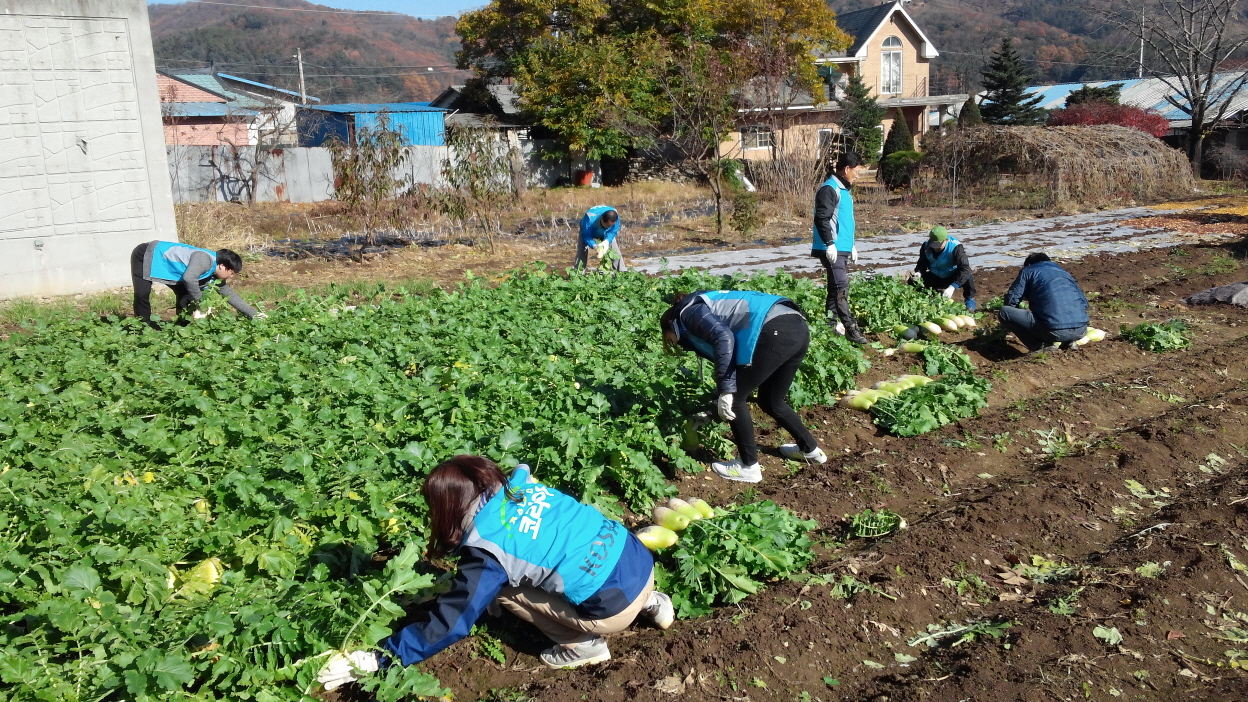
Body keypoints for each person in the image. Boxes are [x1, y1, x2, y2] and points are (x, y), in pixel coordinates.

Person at [317, 456, 674, 690]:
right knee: (575, 550)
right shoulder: (521, 488)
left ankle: (581, 646)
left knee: (501, 589)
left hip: (613, 608)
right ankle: (652, 602)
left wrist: (380, 658)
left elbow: (450, 623)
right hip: (640, 560)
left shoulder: (488, 549)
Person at [660, 290, 828, 484]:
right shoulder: (707, 303)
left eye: (672, 340)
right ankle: (810, 450)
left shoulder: (686, 313)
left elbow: (724, 338)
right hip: (796, 326)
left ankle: (748, 467)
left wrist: (727, 392)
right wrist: (713, 410)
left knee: (735, 399)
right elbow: (739, 367)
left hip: (773, 330)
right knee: (771, 401)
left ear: (670, 325)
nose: (678, 345)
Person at [131, 241, 261, 329]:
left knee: (186, 295)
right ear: (222, 266)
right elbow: (189, 278)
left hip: (171, 268)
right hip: (146, 254)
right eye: (231, 273)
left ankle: (182, 328)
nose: (231, 276)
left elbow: (229, 295)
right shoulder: (204, 260)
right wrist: (202, 303)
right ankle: (143, 327)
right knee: (142, 293)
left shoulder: (215, 271)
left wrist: (255, 314)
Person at [812, 152, 868, 344]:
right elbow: (822, 218)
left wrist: (851, 245)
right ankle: (851, 328)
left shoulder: (843, 191)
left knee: (835, 287)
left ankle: (830, 323)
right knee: (841, 286)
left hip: (842, 247)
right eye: (857, 171)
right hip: (831, 247)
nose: (858, 175)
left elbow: (844, 221)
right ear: (847, 169)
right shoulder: (829, 189)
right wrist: (829, 244)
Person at [998, 253, 1088, 353]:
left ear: (1028, 264)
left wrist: (1015, 320)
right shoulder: (1064, 273)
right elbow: (1084, 303)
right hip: (1081, 330)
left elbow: (1011, 300)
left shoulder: (1028, 271)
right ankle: (1070, 342)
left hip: (1054, 331)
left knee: (1004, 312)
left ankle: (1040, 346)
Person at [911, 225, 977, 311]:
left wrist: (953, 287)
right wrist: (919, 272)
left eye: (938, 245)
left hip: (951, 276)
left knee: (968, 276)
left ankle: (969, 299)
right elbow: (922, 263)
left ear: (946, 240)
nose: (935, 248)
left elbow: (965, 268)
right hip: (935, 276)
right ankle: (930, 297)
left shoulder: (955, 247)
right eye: (933, 245)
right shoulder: (926, 246)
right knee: (912, 280)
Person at [574, 206, 626, 272]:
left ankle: (622, 273)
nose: (607, 228)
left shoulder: (615, 217)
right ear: (601, 219)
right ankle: (578, 273)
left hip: (606, 234)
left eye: (609, 226)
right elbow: (586, 235)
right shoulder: (589, 218)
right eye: (606, 226)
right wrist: (594, 245)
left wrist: (607, 241)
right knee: (581, 252)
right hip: (589, 230)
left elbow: (613, 231)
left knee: (615, 253)